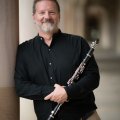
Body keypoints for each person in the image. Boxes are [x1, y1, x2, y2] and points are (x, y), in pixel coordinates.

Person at [14, 0, 101, 120]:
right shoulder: (24, 50)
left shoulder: (78, 43)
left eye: (52, 12)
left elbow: (93, 77)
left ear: (59, 16)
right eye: (42, 12)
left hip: (84, 115)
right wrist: (54, 92)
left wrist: (68, 92)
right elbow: (21, 86)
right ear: (34, 16)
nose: (47, 16)